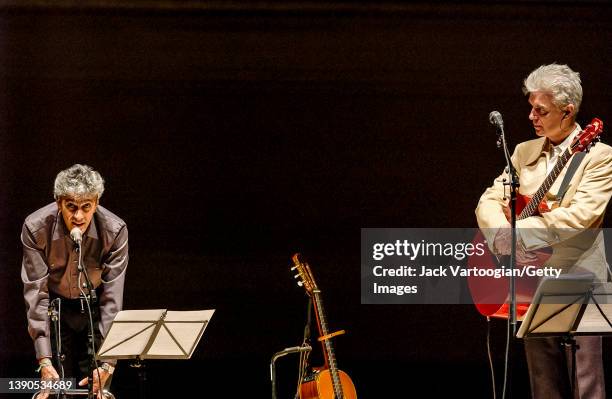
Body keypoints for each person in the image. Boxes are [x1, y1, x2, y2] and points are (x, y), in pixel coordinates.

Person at [476, 64, 612, 399]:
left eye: (542, 110)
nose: (532, 116)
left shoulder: (600, 157)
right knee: (544, 385)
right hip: (531, 279)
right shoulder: (524, 152)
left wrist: (519, 230)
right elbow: (489, 201)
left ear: (567, 112)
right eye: (531, 107)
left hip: (579, 278)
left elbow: (581, 217)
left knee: (586, 384)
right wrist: (500, 238)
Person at [21, 164, 128, 399]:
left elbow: (112, 300)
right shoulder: (35, 227)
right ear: (59, 203)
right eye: (71, 207)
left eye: (86, 207)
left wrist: (108, 364)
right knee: (57, 389)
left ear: (96, 203)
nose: (78, 216)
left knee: (97, 389)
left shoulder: (115, 230)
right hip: (55, 306)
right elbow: (36, 292)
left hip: (93, 304)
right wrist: (44, 360)